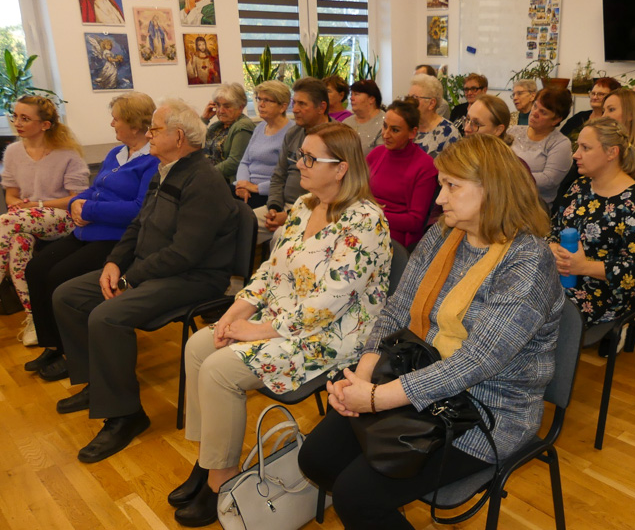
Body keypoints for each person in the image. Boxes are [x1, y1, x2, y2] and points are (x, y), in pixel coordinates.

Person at [298, 134, 564, 530]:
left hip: (487, 411)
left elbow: (476, 362)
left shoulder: (527, 261)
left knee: (357, 497)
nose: (439, 199)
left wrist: (377, 398)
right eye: (441, 184)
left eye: (452, 186)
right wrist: (365, 375)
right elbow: (395, 312)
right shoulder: (444, 233)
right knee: (316, 460)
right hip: (419, 379)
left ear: (492, 189)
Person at [170, 123, 392, 527]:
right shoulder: (305, 205)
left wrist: (257, 330)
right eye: (299, 155)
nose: (298, 164)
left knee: (219, 370)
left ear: (341, 168)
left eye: (309, 158)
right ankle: (208, 462)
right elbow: (272, 271)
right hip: (286, 318)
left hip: (334, 336)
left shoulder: (366, 221)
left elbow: (331, 302)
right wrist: (237, 311)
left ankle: (222, 480)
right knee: (199, 346)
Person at [51, 98, 239, 464]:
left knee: (107, 316)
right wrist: (113, 264)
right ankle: (99, 384)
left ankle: (125, 415)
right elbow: (137, 226)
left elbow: (185, 254)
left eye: (154, 130)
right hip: (152, 268)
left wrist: (130, 279)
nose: (147, 135)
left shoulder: (204, 180)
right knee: (68, 295)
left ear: (179, 136)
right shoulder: (163, 169)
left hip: (194, 278)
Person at [23, 92, 159, 381]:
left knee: (58, 276)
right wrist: (75, 203)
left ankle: (74, 355)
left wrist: (91, 208)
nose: (112, 124)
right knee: (36, 268)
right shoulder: (116, 153)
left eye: (117, 119)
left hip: (115, 238)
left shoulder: (151, 161)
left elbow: (138, 209)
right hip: (88, 229)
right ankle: (54, 344)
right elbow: (93, 189)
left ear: (134, 125)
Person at [550, 117, 635, 331]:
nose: (575, 154)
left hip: (603, 292)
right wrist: (553, 248)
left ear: (611, 152)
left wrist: (583, 267)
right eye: (577, 146)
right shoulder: (579, 187)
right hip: (563, 277)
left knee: (533, 313)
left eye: (585, 148)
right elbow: (552, 231)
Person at [1, 96, 90, 343]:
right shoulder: (12, 152)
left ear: (45, 125)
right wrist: (17, 206)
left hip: (62, 218)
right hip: (25, 218)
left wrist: (35, 205)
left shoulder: (67, 154)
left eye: (25, 118)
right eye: (15, 116)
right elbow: (11, 194)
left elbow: (77, 199)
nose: (17, 122)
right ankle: (35, 318)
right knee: (18, 243)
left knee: (6, 222)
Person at [555, 89, 635, 213]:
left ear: (630, 115)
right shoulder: (581, 179)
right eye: (603, 111)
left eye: (611, 110)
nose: (604, 116)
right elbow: (564, 193)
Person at [263, 77, 331, 235]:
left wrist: (288, 216)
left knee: (279, 237)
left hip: (314, 211)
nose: (294, 109)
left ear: (321, 107)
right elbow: (279, 175)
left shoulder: (336, 140)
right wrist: (274, 207)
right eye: (294, 103)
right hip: (282, 207)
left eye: (302, 104)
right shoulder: (293, 133)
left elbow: (331, 192)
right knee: (242, 221)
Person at [367, 99, 437, 247]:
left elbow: (415, 222)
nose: (385, 134)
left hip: (394, 238)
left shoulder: (425, 166)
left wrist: (375, 213)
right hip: (367, 224)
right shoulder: (376, 154)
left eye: (395, 130)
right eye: (385, 126)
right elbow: (357, 190)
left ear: (412, 133)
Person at [507, 86, 573, 205]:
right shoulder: (513, 131)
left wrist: (510, 177)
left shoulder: (560, 143)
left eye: (543, 112)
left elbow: (549, 180)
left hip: (535, 207)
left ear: (556, 120)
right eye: (535, 106)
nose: (534, 113)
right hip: (505, 199)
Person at [234, 81, 293, 211]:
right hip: (247, 188)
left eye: (267, 100)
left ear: (283, 107)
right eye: (259, 99)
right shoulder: (260, 127)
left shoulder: (292, 132)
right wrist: (242, 185)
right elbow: (244, 162)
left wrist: (256, 188)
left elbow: (289, 176)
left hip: (269, 194)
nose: (261, 104)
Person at [200, 83, 256, 183]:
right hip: (210, 177)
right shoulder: (217, 126)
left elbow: (234, 163)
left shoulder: (243, 127)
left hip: (226, 182)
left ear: (240, 107)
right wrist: (204, 119)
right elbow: (193, 144)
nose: (221, 110)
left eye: (227, 106)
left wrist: (205, 175)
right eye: (217, 105)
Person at [409, 74, 459, 156]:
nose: (409, 102)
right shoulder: (406, 125)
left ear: (431, 103)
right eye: (408, 98)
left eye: (414, 98)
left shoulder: (449, 133)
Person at [343, 79, 384, 155]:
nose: (351, 98)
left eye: (356, 94)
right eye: (351, 94)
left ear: (371, 99)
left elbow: (380, 157)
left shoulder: (385, 124)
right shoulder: (346, 123)